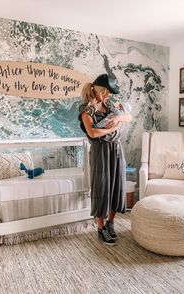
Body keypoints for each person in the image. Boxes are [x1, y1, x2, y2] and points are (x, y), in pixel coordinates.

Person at [78, 73, 132, 246]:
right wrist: (113, 129)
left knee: (117, 185)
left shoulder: (109, 104)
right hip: (100, 152)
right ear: (97, 90)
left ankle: (110, 223)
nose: (109, 96)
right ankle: (101, 228)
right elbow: (92, 133)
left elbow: (128, 117)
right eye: (107, 92)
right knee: (102, 187)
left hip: (116, 149)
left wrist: (117, 118)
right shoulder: (87, 110)